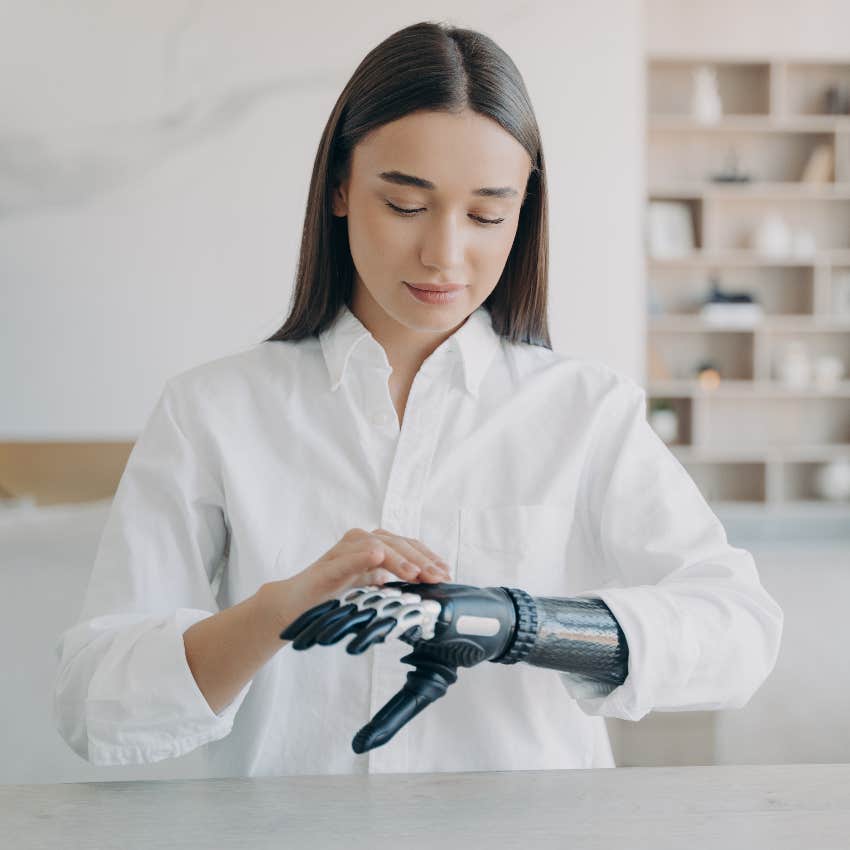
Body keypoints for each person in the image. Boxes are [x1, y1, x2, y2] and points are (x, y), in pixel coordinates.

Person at [53, 20, 783, 777]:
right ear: (339, 187)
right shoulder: (212, 411)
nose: (444, 253)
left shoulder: (585, 410)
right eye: (405, 205)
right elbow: (93, 705)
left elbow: (740, 631)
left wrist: (528, 626)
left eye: (487, 215)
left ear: (524, 211)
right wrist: (278, 611)